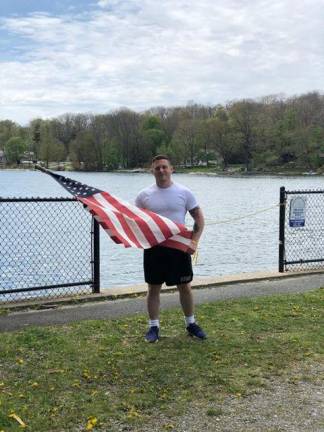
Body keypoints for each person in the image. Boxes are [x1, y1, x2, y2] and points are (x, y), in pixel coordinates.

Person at [135, 155, 206, 343]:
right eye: (157, 168)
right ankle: (153, 327)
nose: (161, 171)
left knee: (185, 286)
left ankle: (191, 324)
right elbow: (135, 222)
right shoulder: (144, 196)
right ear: (152, 171)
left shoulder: (184, 192)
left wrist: (194, 242)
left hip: (179, 248)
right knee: (153, 288)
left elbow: (198, 218)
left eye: (164, 167)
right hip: (154, 249)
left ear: (171, 169)